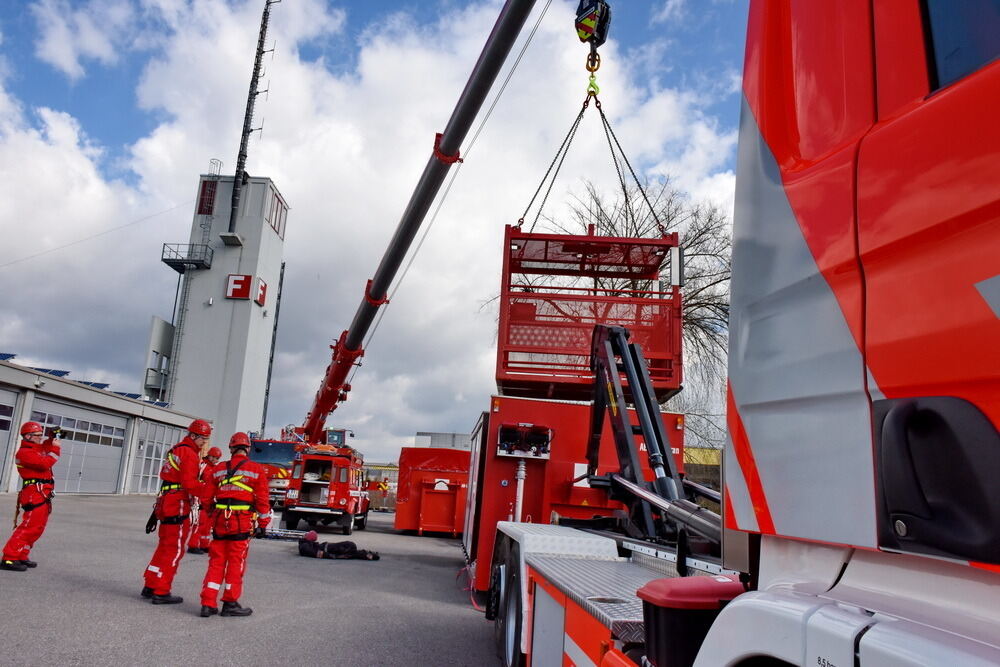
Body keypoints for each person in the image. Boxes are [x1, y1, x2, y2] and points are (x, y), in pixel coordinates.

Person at [199, 432, 270, 618]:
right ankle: (230, 602)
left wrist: (211, 512)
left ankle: (208, 603)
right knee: (236, 562)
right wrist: (263, 523)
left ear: (230, 449)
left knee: (216, 561)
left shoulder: (218, 469)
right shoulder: (256, 469)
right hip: (241, 521)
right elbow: (262, 500)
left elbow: (206, 497)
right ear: (247, 448)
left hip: (220, 520)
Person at [141, 418, 211, 604]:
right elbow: (189, 484)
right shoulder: (189, 454)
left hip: (166, 501)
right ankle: (162, 591)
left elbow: (167, 475)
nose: (204, 443)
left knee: (164, 546)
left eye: (206, 439)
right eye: (202, 439)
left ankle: (150, 584)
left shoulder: (176, 450)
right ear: (193, 435)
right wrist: (208, 492)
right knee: (175, 549)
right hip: (177, 503)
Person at [1, 422, 61, 572]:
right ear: (28, 436)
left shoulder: (35, 448)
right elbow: (44, 463)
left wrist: (52, 436)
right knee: (29, 527)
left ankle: (21, 554)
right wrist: (56, 448)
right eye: (38, 436)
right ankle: (9, 558)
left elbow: (45, 448)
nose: (40, 438)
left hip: (42, 493)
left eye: (41, 435)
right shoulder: (24, 453)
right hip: (34, 494)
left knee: (37, 528)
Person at [187, 446, 223, 555]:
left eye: (217, 458)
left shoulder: (214, 468)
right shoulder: (203, 466)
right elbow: (196, 481)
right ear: (209, 455)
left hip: (209, 499)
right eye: (213, 457)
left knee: (207, 524)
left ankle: (204, 544)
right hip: (200, 498)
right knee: (199, 523)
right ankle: (192, 545)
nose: (215, 460)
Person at [297, 530, 380, 561]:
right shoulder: (304, 546)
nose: (304, 535)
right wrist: (331, 556)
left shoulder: (305, 543)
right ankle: (367, 555)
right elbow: (316, 553)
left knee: (351, 549)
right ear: (310, 538)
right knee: (350, 547)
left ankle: (367, 555)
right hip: (329, 549)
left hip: (328, 547)